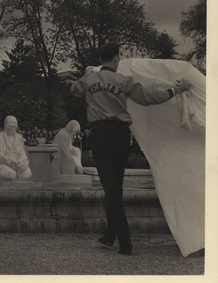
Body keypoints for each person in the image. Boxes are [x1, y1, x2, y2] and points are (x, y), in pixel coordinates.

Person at [70, 43, 191, 256]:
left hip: (100, 135)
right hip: (121, 136)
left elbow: (73, 90)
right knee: (115, 186)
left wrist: (86, 73)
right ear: (116, 59)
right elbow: (149, 98)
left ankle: (125, 241)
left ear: (100, 59)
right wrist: (175, 90)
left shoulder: (90, 79)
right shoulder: (123, 80)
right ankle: (110, 235)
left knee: (111, 187)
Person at [0, 116, 31, 181]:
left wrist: (23, 164)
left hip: (18, 164)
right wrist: (9, 162)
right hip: (4, 164)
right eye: (10, 126)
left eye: (14, 126)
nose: (12, 128)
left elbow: (22, 153)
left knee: (27, 174)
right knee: (11, 174)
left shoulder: (19, 137)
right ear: (5, 126)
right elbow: (0, 154)